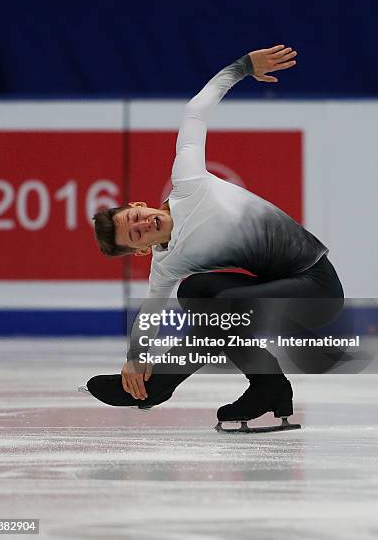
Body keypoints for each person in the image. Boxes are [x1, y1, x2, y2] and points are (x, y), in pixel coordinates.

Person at [83, 45, 345, 429]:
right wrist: (136, 357)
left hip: (317, 290)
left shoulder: (189, 182)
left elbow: (195, 109)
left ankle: (302, 358)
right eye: (135, 234)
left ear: (140, 204)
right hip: (271, 294)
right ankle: (266, 386)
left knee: (222, 304)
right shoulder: (167, 262)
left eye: (135, 216)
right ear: (140, 251)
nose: (143, 224)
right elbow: (149, 313)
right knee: (196, 291)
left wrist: (241, 68)